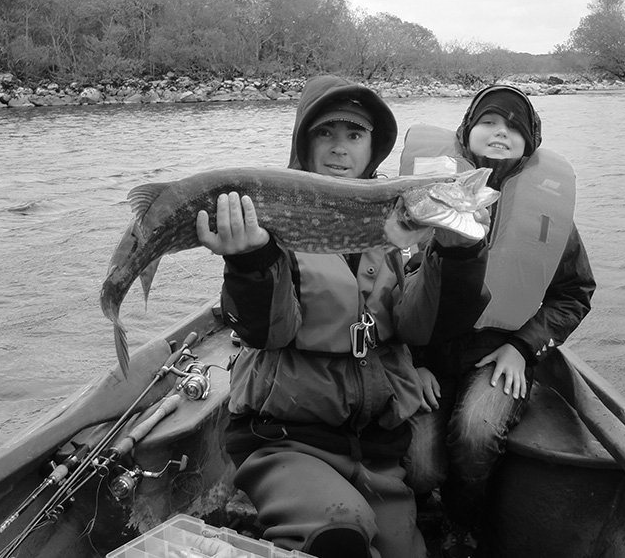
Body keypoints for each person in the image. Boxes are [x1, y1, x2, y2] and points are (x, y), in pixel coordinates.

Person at [195, 75, 489, 558]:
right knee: (339, 536)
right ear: (303, 143)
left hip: (374, 448)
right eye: (324, 134)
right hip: (287, 441)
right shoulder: (271, 221)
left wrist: (459, 258)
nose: (339, 149)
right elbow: (268, 332)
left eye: (354, 136)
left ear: (372, 148)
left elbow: (419, 326)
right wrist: (250, 262)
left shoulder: (391, 226)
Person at [401, 85, 596, 553]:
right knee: (421, 464)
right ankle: (414, 512)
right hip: (422, 353)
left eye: (514, 127)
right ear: (467, 131)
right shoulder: (418, 195)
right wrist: (407, 360)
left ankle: (462, 526)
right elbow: (384, 282)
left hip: (499, 354)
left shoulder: (552, 213)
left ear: (531, 142)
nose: (500, 133)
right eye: (489, 122)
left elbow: (574, 294)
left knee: (476, 433)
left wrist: (524, 346)